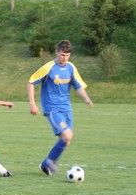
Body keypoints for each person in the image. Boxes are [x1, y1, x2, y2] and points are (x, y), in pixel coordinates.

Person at [27, 40, 93, 175]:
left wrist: (86, 98)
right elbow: (31, 82)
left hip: (66, 109)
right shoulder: (48, 67)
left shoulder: (71, 68)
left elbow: (78, 86)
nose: (65, 58)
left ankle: (46, 164)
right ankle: (50, 161)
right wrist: (32, 104)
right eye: (62, 55)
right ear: (57, 52)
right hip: (52, 108)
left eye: (67, 55)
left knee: (66, 140)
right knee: (67, 135)